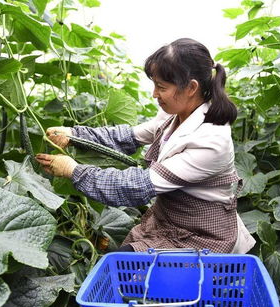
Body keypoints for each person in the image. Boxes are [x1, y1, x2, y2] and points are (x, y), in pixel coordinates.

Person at [36, 38, 255, 253]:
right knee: (124, 270)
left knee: (123, 270)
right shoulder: (176, 114)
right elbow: (127, 137)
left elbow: (135, 187)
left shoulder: (211, 141)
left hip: (200, 237)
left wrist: (73, 170)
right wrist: (75, 134)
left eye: (161, 87)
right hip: (168, 223)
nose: (154, 94)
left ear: (191, 87)